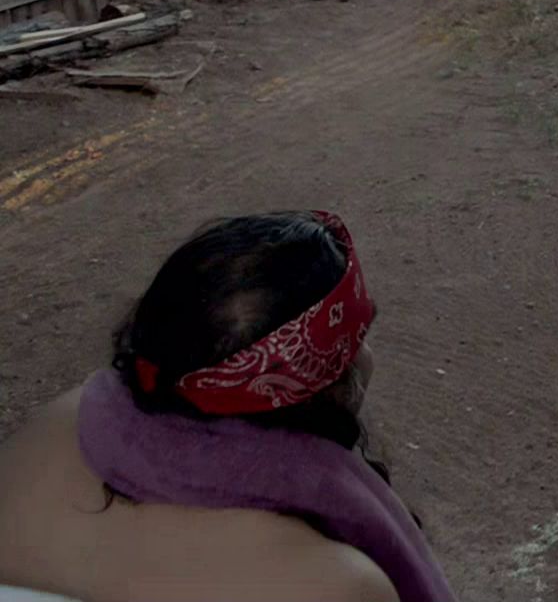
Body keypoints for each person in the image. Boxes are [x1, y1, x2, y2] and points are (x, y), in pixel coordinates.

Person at [0, 212, 453, 602]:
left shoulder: (63, 420)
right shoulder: (338, 584)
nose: (367, 354)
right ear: (327, 388)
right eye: (359, 338)